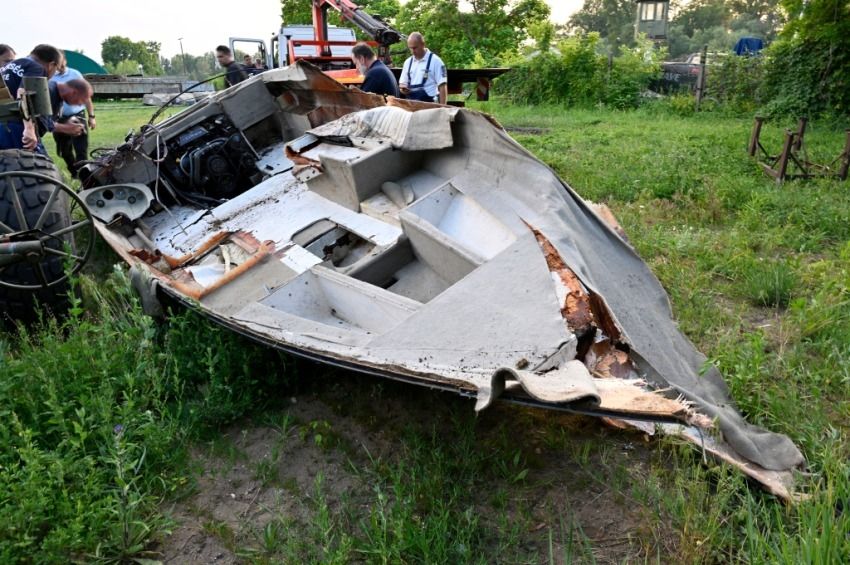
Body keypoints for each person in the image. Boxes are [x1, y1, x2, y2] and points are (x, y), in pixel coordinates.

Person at [0, 44, 63, 153]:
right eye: (56, 70)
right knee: (42, 166)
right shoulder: (36, 67)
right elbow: (23, 92)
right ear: (51, 65)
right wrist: (29, 129)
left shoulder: (7, 67)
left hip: (2, 124)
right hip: (16, 127)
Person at [49, 59, 96, 177]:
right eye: (56, 64)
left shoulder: (75, 74)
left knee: (81, 149)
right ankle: (74, 172)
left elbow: (86, 95)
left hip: (76, 116)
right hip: (58, 119)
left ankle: (84, 176)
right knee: (64, 151)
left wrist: (91, 116)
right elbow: (40, 122)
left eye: (61, 63)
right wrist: (64, 126)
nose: (81, 104)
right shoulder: (50, 85)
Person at [399, 32, 447, 104]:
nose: (412, 51)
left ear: (423, 44)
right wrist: (403, 89)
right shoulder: (407, 62)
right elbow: (402, 84)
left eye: (415, 48)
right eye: (410, 48)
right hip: (411, 105)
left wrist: (443, 109)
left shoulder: (436, 61)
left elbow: (442, 86)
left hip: (430, 106)